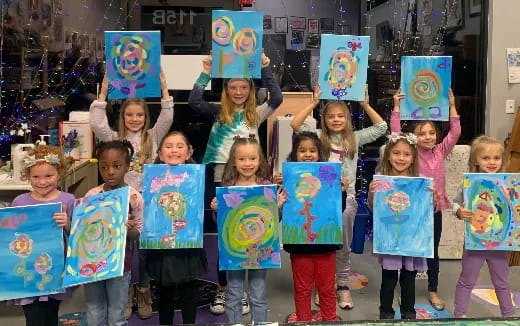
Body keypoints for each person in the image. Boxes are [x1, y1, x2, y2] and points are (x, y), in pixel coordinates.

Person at [189, 53, 282, 315]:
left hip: (252, 179)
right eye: (233, 87)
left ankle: (249, 286)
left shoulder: (256, 113)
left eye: (243, 87)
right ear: (226, 90)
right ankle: (225, 288)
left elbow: (277, 99)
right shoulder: (219, 112)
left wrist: (266, 67)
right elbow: (195, 101)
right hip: (224, 176)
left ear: (250, 90)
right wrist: (205, 72)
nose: (238, 92)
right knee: (227, 234)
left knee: (252, 229)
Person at [290, 85, 387, 309]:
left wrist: (364, 104)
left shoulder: (354, 138)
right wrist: (314, 104)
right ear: (324, 120)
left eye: (340, 115)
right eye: (331, 116)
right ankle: (321, 287)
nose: (335, 120)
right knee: (322, 244)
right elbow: (295, 124)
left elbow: (381, 127)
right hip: (320, 200)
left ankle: (342, 286)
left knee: (343, 245)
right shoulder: (318, 137)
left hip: (347, 199)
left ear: (347, 118)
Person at [89, 72, 173, 318]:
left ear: (146, 118)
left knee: (145, 251)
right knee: (122, 249)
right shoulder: (114, 139)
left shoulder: (153, 137)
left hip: (146, 202)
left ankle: (144, 288)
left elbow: (167, 116)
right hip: (118, 202)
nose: (135, 119)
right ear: (122, 117)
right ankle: (125, 291)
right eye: (130, 114)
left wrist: (164, 88)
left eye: (140, 115)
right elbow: (97, 123)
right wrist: (103, 91)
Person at [391, 88, 461, 310]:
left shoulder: (440, 151)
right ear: (414, 137)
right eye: (422, 133)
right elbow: (395, 133)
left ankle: (433, 289)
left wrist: (451, 107)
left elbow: (456, 133)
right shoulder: (409, 152)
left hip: (434, 210)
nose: (428, 137)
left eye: (431, 133)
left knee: (432, 251)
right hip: (412, 210)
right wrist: (396, 107)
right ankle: (405, 289)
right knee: (409, 250)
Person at [210, 137, 287, 324]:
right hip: (234, 251)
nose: (247, 163)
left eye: (252, 159)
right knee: (234, 293)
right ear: (234, 162)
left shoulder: (266, 185)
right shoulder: (228, 187)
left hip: (260, 251)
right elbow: (222, 224)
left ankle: (259, 323)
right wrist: (216, 210)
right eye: (242, 159)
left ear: (259, 160)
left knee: (258, 293)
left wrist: (277, 206)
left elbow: (273, 222)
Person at [368, 133, 435, 320]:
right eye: (396, 153)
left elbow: (427, 211)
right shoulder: (381, 179)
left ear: (413, 157)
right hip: (390, 238)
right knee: (388, 278)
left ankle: (408, 311)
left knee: (409, 278)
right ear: (388, 155)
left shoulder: (421, 180)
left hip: (412, 239)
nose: (401, 158)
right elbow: (374, 208)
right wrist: (373, 193)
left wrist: (432, 197)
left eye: (406, 154)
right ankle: (386, 312)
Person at [145, 131, 208, 325]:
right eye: (169, 146)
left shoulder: (196, 178)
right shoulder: (152, 179)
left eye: (180, 146)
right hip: (162, 246)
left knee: (189, 288)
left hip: (188, 244)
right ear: (160, 153)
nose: (174, 150)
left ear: (189, 152)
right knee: (164, 291)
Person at [281, 132, 344, 322]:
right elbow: (281, 209)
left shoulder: (328, 178)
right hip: (300, 246)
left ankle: (330, 319)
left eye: (312, 150)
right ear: (294, 154)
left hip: (325, 246)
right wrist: (279, 190)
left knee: (326, 289)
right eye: (302, 150)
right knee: (302, 289)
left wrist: (340, 191)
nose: (307, 154)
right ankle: (303, 319)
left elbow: (337, 211)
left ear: (319, 154)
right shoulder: (288, 180)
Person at [10, 145, 75, 326]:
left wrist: (68, 223)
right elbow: (9, 236)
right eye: (36, 177)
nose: (42, 182)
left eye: (49, 176)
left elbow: (79, 236)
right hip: (27, 271)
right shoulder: (19, 202)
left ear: (59, 173)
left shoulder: (68, 200)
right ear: (28, 176)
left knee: (50, 316)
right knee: (34, 317)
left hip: (55, 272)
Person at [453, 135, 514, 318]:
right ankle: (460, 314)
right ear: (475, 160)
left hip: (499, 242)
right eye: (486, 158)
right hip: (475, 242)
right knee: (467, 280)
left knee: (502, 282)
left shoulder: (508, 184)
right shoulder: (470, 183)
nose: (492, 162)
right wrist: (459, 212)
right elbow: (456, 204)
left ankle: (509, 315)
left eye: (496, 158)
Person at [83, 140, 143, 326]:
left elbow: (137, 234)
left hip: (120, 265)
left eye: (117, 166)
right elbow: (83, 232)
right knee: (94, 312)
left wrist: (128, 229)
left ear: (127, 166)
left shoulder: (134, 197)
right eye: (104, 167)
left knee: (117, 313)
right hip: (93, 264)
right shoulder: (91, 196)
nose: (110, 172)